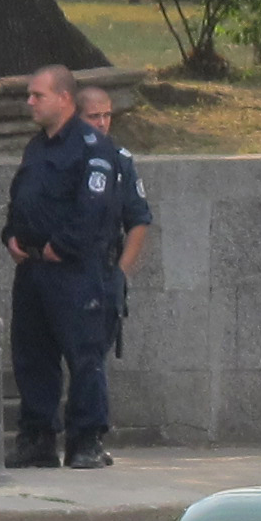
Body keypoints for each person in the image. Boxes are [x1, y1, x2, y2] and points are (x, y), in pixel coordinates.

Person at [2, 66, 133, 469]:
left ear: (63, 98)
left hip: (76, 272)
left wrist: (62, 246)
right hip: (33, 270)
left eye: (37, 95)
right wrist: (10, 235)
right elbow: (21, 198)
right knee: (33, 356)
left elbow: (93, 209)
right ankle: (37, 438)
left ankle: (85, 440)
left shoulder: (93, 148)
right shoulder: (36, 148)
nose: (30, 102)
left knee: (84, 356)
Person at [76, 80, 157, 368]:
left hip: (103, 270)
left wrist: (121, 273)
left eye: (107, 115)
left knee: (92, 363)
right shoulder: (64, 156)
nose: (101, 123)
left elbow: (138, 220)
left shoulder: (120, 161)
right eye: (93, 116)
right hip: (63, 267)